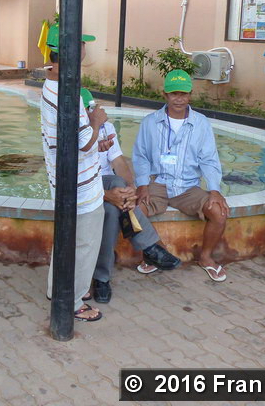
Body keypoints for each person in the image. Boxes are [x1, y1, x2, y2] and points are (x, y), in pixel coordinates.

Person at [82, 88, 180, 304]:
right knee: (112, 205)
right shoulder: (74, 133)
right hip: (82, 187)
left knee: (116, 192)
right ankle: (148, 248)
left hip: (106, 183)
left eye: (92, 108)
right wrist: (108, 195)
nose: (92, 112)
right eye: (87, 110)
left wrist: (130, 188)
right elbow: (75, 181)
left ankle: (102, 278)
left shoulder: (106, 128)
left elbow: (118, 162)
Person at [132, 69, 230, 282]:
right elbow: (141, 156)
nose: (179, 99)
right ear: (165, 95)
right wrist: (142, 184)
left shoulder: (201, 123)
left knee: (219, 211)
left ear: (190, 95)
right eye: (174, 93)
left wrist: (214, 189)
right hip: (158, 184)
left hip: (187, 187)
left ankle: (206, 257)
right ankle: (157, 254)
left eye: (183, 94)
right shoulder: (150, 122)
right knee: (133, 212)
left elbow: (209, 159)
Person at [41, 23, 106, 322]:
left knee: (66, 240)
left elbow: (72, 139)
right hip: (82, 188)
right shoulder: (67, 93)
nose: (84, 49)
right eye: (81, 44)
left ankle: (55, 289)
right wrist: (96, 121)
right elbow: (83, 143)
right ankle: (74, 301)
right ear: (69, 50)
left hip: (66, 181)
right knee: (84, 244)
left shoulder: (52, 85)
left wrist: (92, 135)